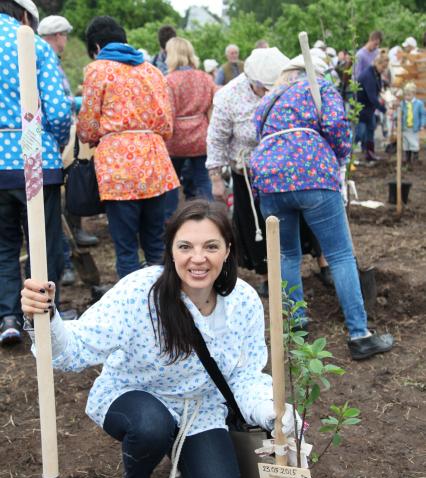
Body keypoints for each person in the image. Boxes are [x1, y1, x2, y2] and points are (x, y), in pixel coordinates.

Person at [21, 200, 293, 478]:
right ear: (170, 250)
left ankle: (181, 452)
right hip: (136, 397)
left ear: (228, 250)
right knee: (152, 426)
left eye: (211, 246)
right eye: (185, 247)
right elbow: (71, 352)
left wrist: (271, 410)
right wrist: (44, 317)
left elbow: (243, 376)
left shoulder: (244, 301)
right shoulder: (139, 294)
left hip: (199, 408)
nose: (198, 258)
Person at [249, 55, 394, 360]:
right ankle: (359, 335)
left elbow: (256, 134)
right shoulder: (319, 87)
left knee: (286, 254)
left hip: (269, 178)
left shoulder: (269, 98)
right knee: (340, 254)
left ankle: (297, 324)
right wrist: (340, 158)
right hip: (313, 172)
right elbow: (336, 125)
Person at [76, 16, 179, 279]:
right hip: (155, 163)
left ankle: (130, 313)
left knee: (125, 249)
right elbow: (167, 124)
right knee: (156, 244)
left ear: (96, 47)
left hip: (118, 168)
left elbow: (87, 125)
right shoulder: (153, 71)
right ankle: (162, 305)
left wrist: (96, 135)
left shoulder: (98, 70)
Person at [0, 0, 72, 345]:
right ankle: (43, 316)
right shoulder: (31, 43)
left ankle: (8, 317)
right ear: (25, 15)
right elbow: (58, 110)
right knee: (43, 241)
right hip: (32, 155)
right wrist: (53, 145)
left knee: (3, 244)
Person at [207, 47, 289, 297]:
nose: (268, 94)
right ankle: (266, 275)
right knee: (256, 227)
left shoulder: (287, 88)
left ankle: (319, 264)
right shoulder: (229, 96)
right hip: (247, 172)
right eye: (263, 88)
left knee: (296, 220)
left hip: (285, 170)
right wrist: (216, 178)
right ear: (252, 82)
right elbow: (216, 138)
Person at [37, 14, 99, 288]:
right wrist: (78, 102)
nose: (65, 41)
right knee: (49, 210)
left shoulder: (44, 58)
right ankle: (63, 261)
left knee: (59, 200)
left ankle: (70, 247)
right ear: (57, 36)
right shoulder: (44, 57)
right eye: (64, 36)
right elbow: (56, 105)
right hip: (44, 142)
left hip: (36, 144)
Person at [164, 37, 216, 219]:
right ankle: (210, 218)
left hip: (176, 139)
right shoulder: (205, 78)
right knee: (203, 180)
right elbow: (212, 106)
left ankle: (169, 221)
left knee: (171, 182)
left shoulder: (168, 81)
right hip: (201, 136)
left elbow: (167, 112)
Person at [356, 51, 389, 161]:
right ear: (377, 64)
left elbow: (379, 90)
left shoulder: (376, 74)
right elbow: (372, 97)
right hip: (360, 108)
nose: (384, 70)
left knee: (371, 129)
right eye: (383, 67)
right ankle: (349, 157)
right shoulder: (368, 75)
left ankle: (370, 154)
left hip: (369, 109)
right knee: (359, 133)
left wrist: (388, 99)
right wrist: (384, 110)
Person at [399, 82, 426, 163]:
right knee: (406, 143)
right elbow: (400, 113)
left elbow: (423, 115)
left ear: (413, 94)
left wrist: (422, 124)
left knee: (414, 143)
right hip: (405, 127)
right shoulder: (403, 104)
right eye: (405, 95)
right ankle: (407, 158)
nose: (407, 97)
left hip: (414, 128)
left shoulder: (419, 104)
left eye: (409, 95)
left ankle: (415, 158)